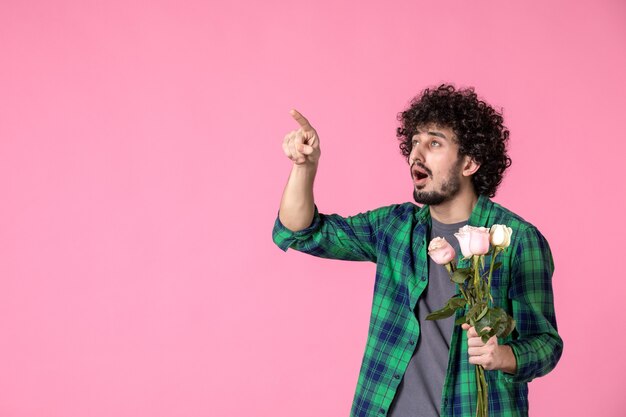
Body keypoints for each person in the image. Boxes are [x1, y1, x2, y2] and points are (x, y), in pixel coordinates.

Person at [272, 84, 562, 417]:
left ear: (470, 163)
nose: (416, 154)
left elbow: (545, 343)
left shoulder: (515, 240)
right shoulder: (394, 228)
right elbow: (303, 230)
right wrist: (304, 168)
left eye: (434, 143)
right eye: (414, 142)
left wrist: (505, 357)